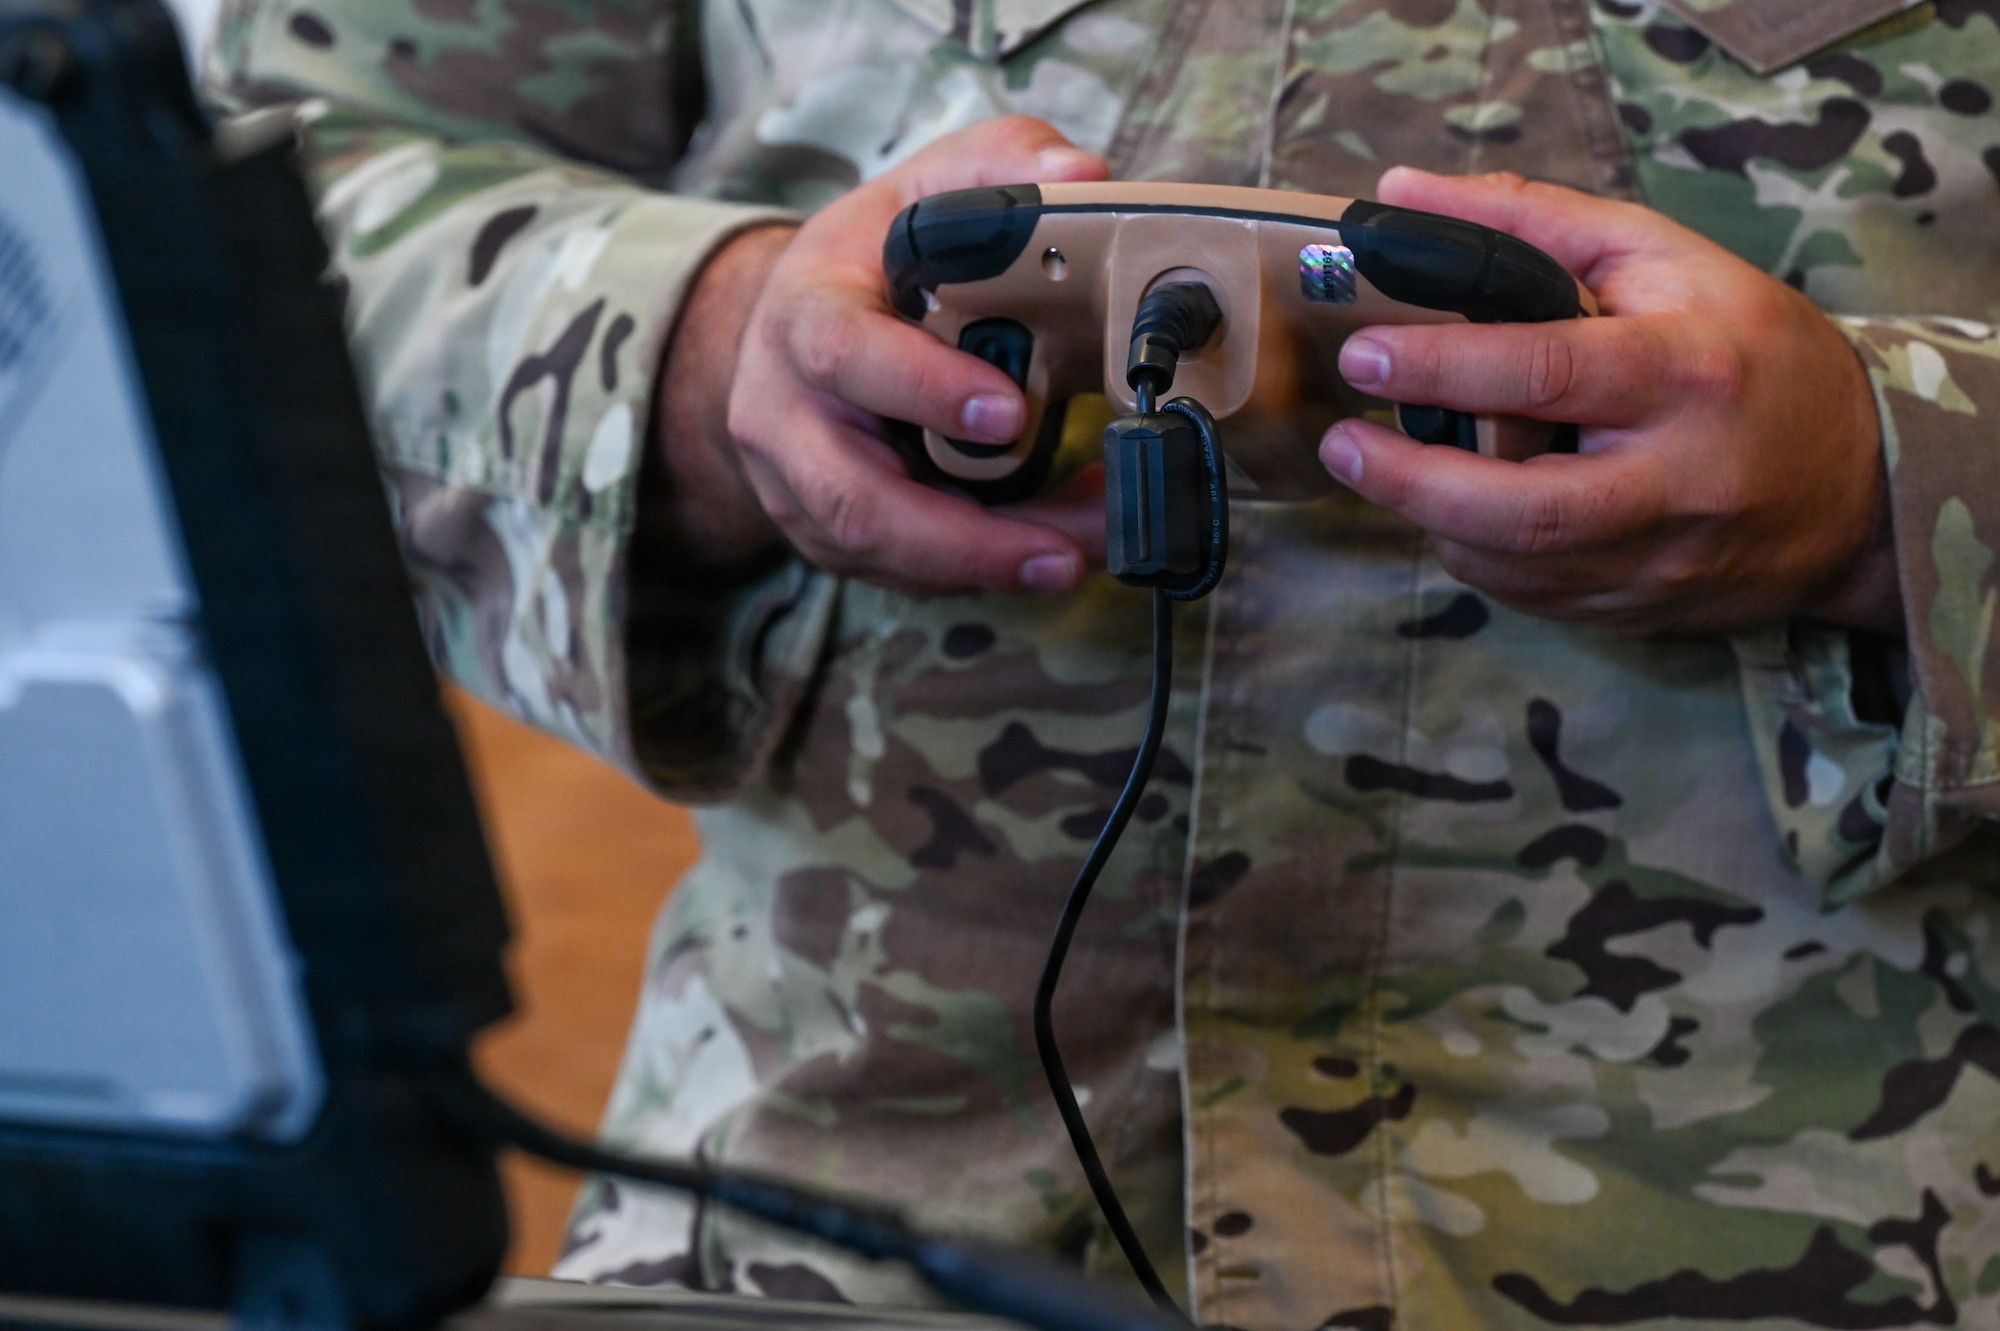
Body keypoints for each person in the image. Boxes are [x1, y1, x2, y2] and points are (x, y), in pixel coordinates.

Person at [208, 0, 2000, 1326]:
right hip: (842, 1234)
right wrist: (708, 348)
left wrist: (1890, 486)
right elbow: (213, 176)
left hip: (1807, 1247)